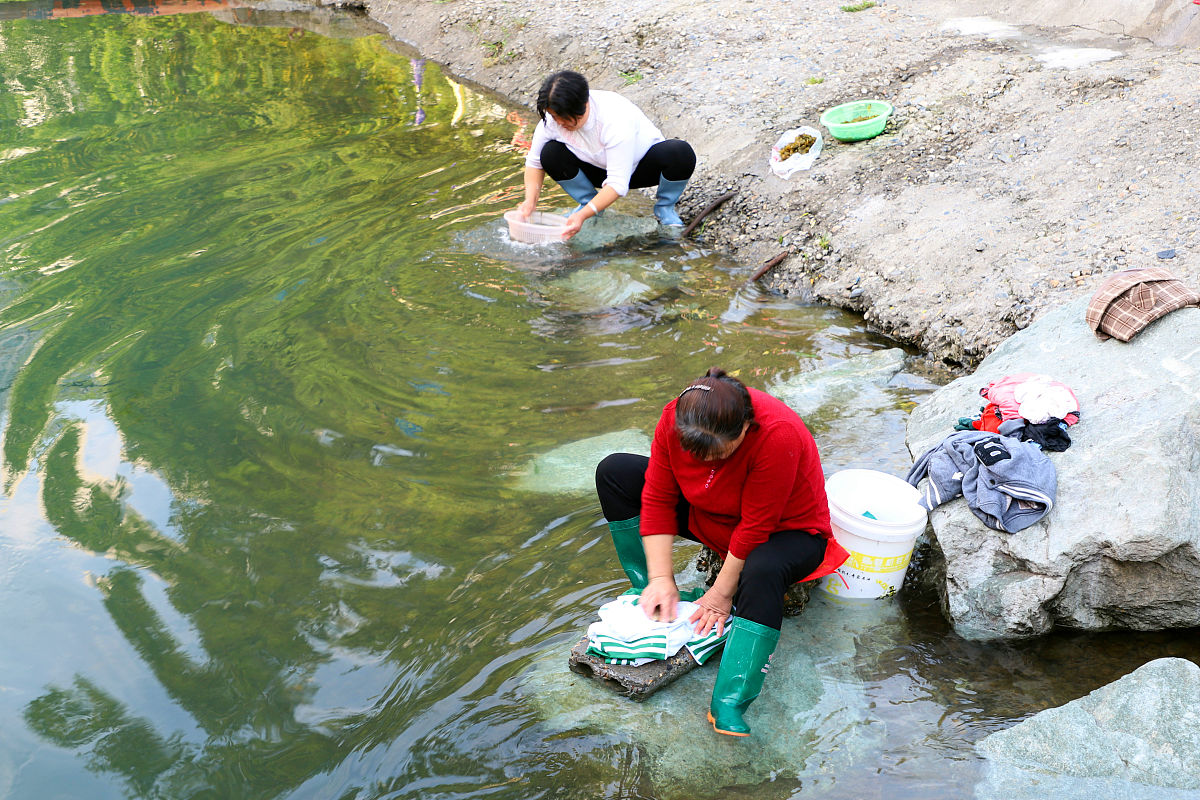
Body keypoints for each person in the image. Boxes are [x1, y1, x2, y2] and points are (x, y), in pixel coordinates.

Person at [594, 369, 849, 737]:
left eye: (719, 454)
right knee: (614, 472)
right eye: (699, 455)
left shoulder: (778, 434)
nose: (709, 464)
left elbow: (755, 527)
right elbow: (659, 496)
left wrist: (720, 594)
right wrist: (662, 578)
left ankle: (731, 700)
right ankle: (647, 590)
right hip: (712, 515)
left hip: (785, 531)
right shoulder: (677, 417)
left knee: (761, 569)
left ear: (745, 427)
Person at [516, 70, 696, 240]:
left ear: (584, 104)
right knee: (550, 153)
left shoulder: (614, 117)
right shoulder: (552, 122)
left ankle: (665, 208)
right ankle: (588, 203)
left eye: (564, 118)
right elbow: (534, 163)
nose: (559, 123)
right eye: (555, 116)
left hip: (640, 168)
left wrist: (581, 216)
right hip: (596, 168)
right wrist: (530, 202)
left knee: (679, 153)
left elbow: (618, 184)